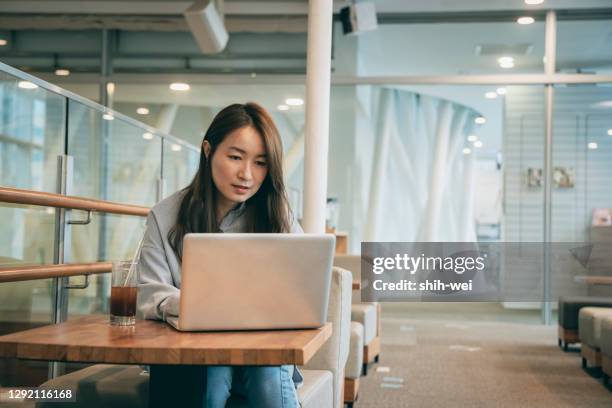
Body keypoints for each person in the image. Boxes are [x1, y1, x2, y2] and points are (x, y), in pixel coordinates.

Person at [137, 102, 302, 408]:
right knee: (209, 380)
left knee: (267, 380)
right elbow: (149, 293)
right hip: (194, 348)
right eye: (235, 157)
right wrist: (201, 306)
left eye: (261, 163)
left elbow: (301, 289)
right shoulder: (165, 216)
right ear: (208, 150)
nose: (247, 175)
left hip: (261, 347)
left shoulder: (278, 217)